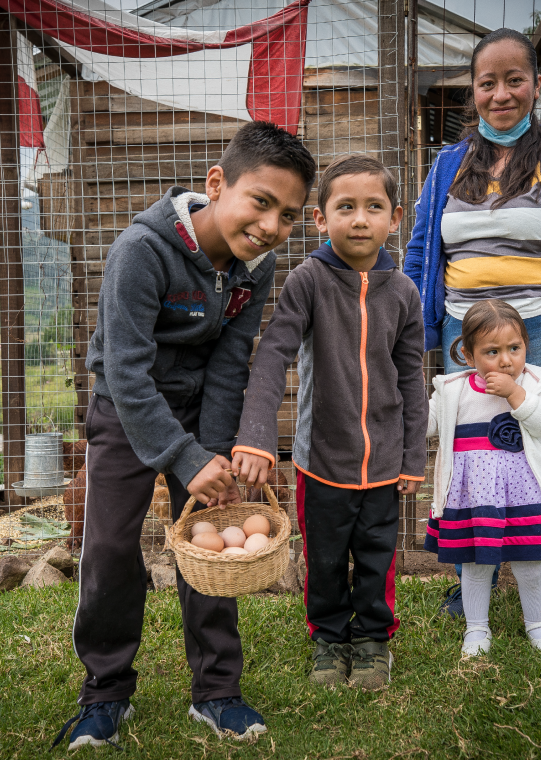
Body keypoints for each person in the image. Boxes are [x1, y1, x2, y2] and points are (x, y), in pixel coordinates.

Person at [52, 122, 316, 750]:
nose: (271, 225)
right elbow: (125, 369)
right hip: (127, 409)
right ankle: (105, 694)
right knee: (111, 546)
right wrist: (178, 455)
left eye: (288, 214)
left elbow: (229, 365)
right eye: (261, 201)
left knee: (212, 545)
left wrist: (211, 455)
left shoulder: (256, 265)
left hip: (201, 413)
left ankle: (218, 690)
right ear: (217, 184)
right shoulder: (141, 251)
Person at [404, 27, 541, 618]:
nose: (502, 93)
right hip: (462, 334)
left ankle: (540, 580)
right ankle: (474, 574)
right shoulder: (447, 164)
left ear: (536, 86)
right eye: (488, 82)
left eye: (514, 80)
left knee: (537, 449)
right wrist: (411, 327)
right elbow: (422, 252)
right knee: (468, 451)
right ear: (473, 91)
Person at [231, 154, 427, 690]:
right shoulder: (307, 281)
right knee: (323, 558)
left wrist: (414, 457)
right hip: (320, 462)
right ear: (321, 219)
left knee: (376, 557)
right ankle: (328, 638)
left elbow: (413, 380)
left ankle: (371, 641)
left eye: (373, 207)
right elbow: (272, 356)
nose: (359, 219)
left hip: (385, 462)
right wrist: (255, 434)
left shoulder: (405, 293)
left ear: (396, 217)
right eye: (345, 207)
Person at [426, 300, 541, 654]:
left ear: (526, 347)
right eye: (492, 351)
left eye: (514, 348)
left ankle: (539, 624)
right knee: (475, 564)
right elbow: (426, 425)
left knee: (530, 561)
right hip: (473, 497)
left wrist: (517, 395)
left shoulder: (532, 382)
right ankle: (477, 630)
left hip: (523, 495)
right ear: (468, 356)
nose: (505, 360)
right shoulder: (453, 389)